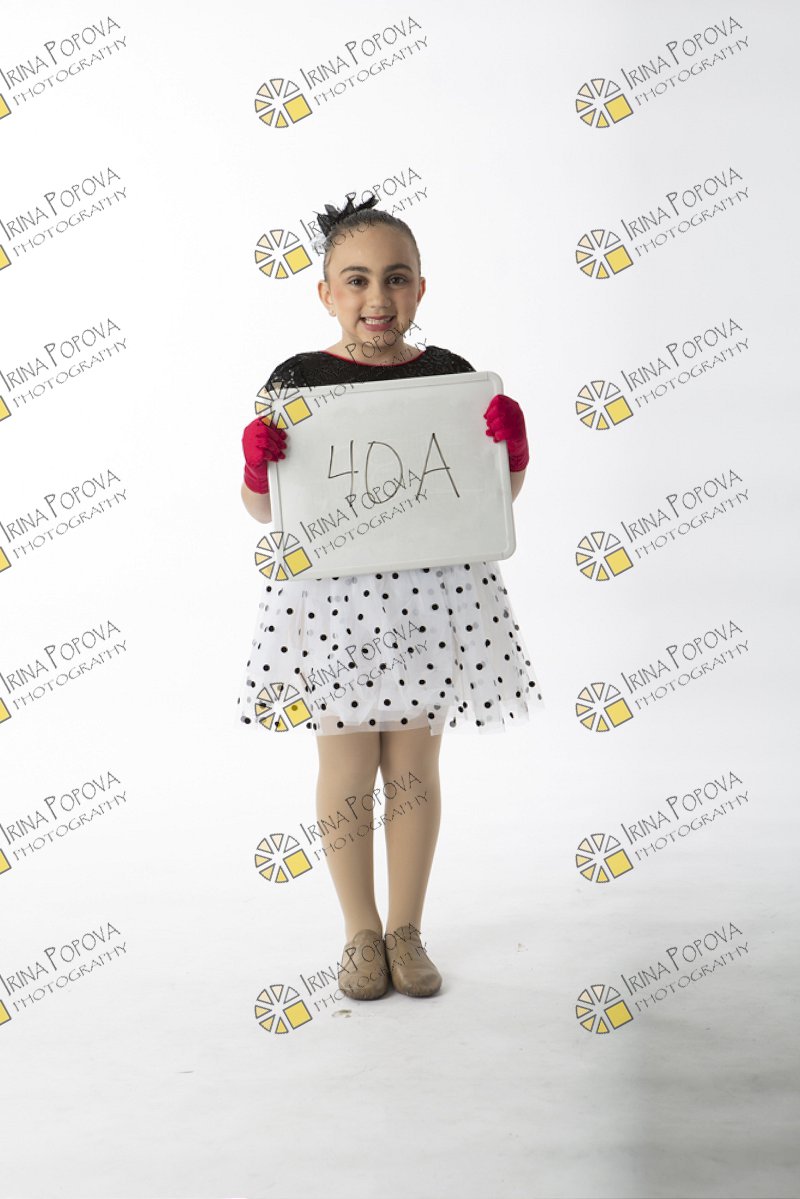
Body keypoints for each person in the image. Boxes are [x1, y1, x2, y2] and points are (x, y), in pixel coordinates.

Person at [237, 193, 544, 1001]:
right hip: (333, 602)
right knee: (346, 763)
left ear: (420, 288)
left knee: (412, 762)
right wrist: (256, 464)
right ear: (326, 292)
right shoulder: (297, 381)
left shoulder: (448, 376)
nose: (378, 297)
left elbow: (489, 500)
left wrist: (512, 452)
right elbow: (268, 509)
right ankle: (358, 932)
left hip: (429, 595)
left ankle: (406, 929)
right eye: (358, 279)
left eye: (397, 278)